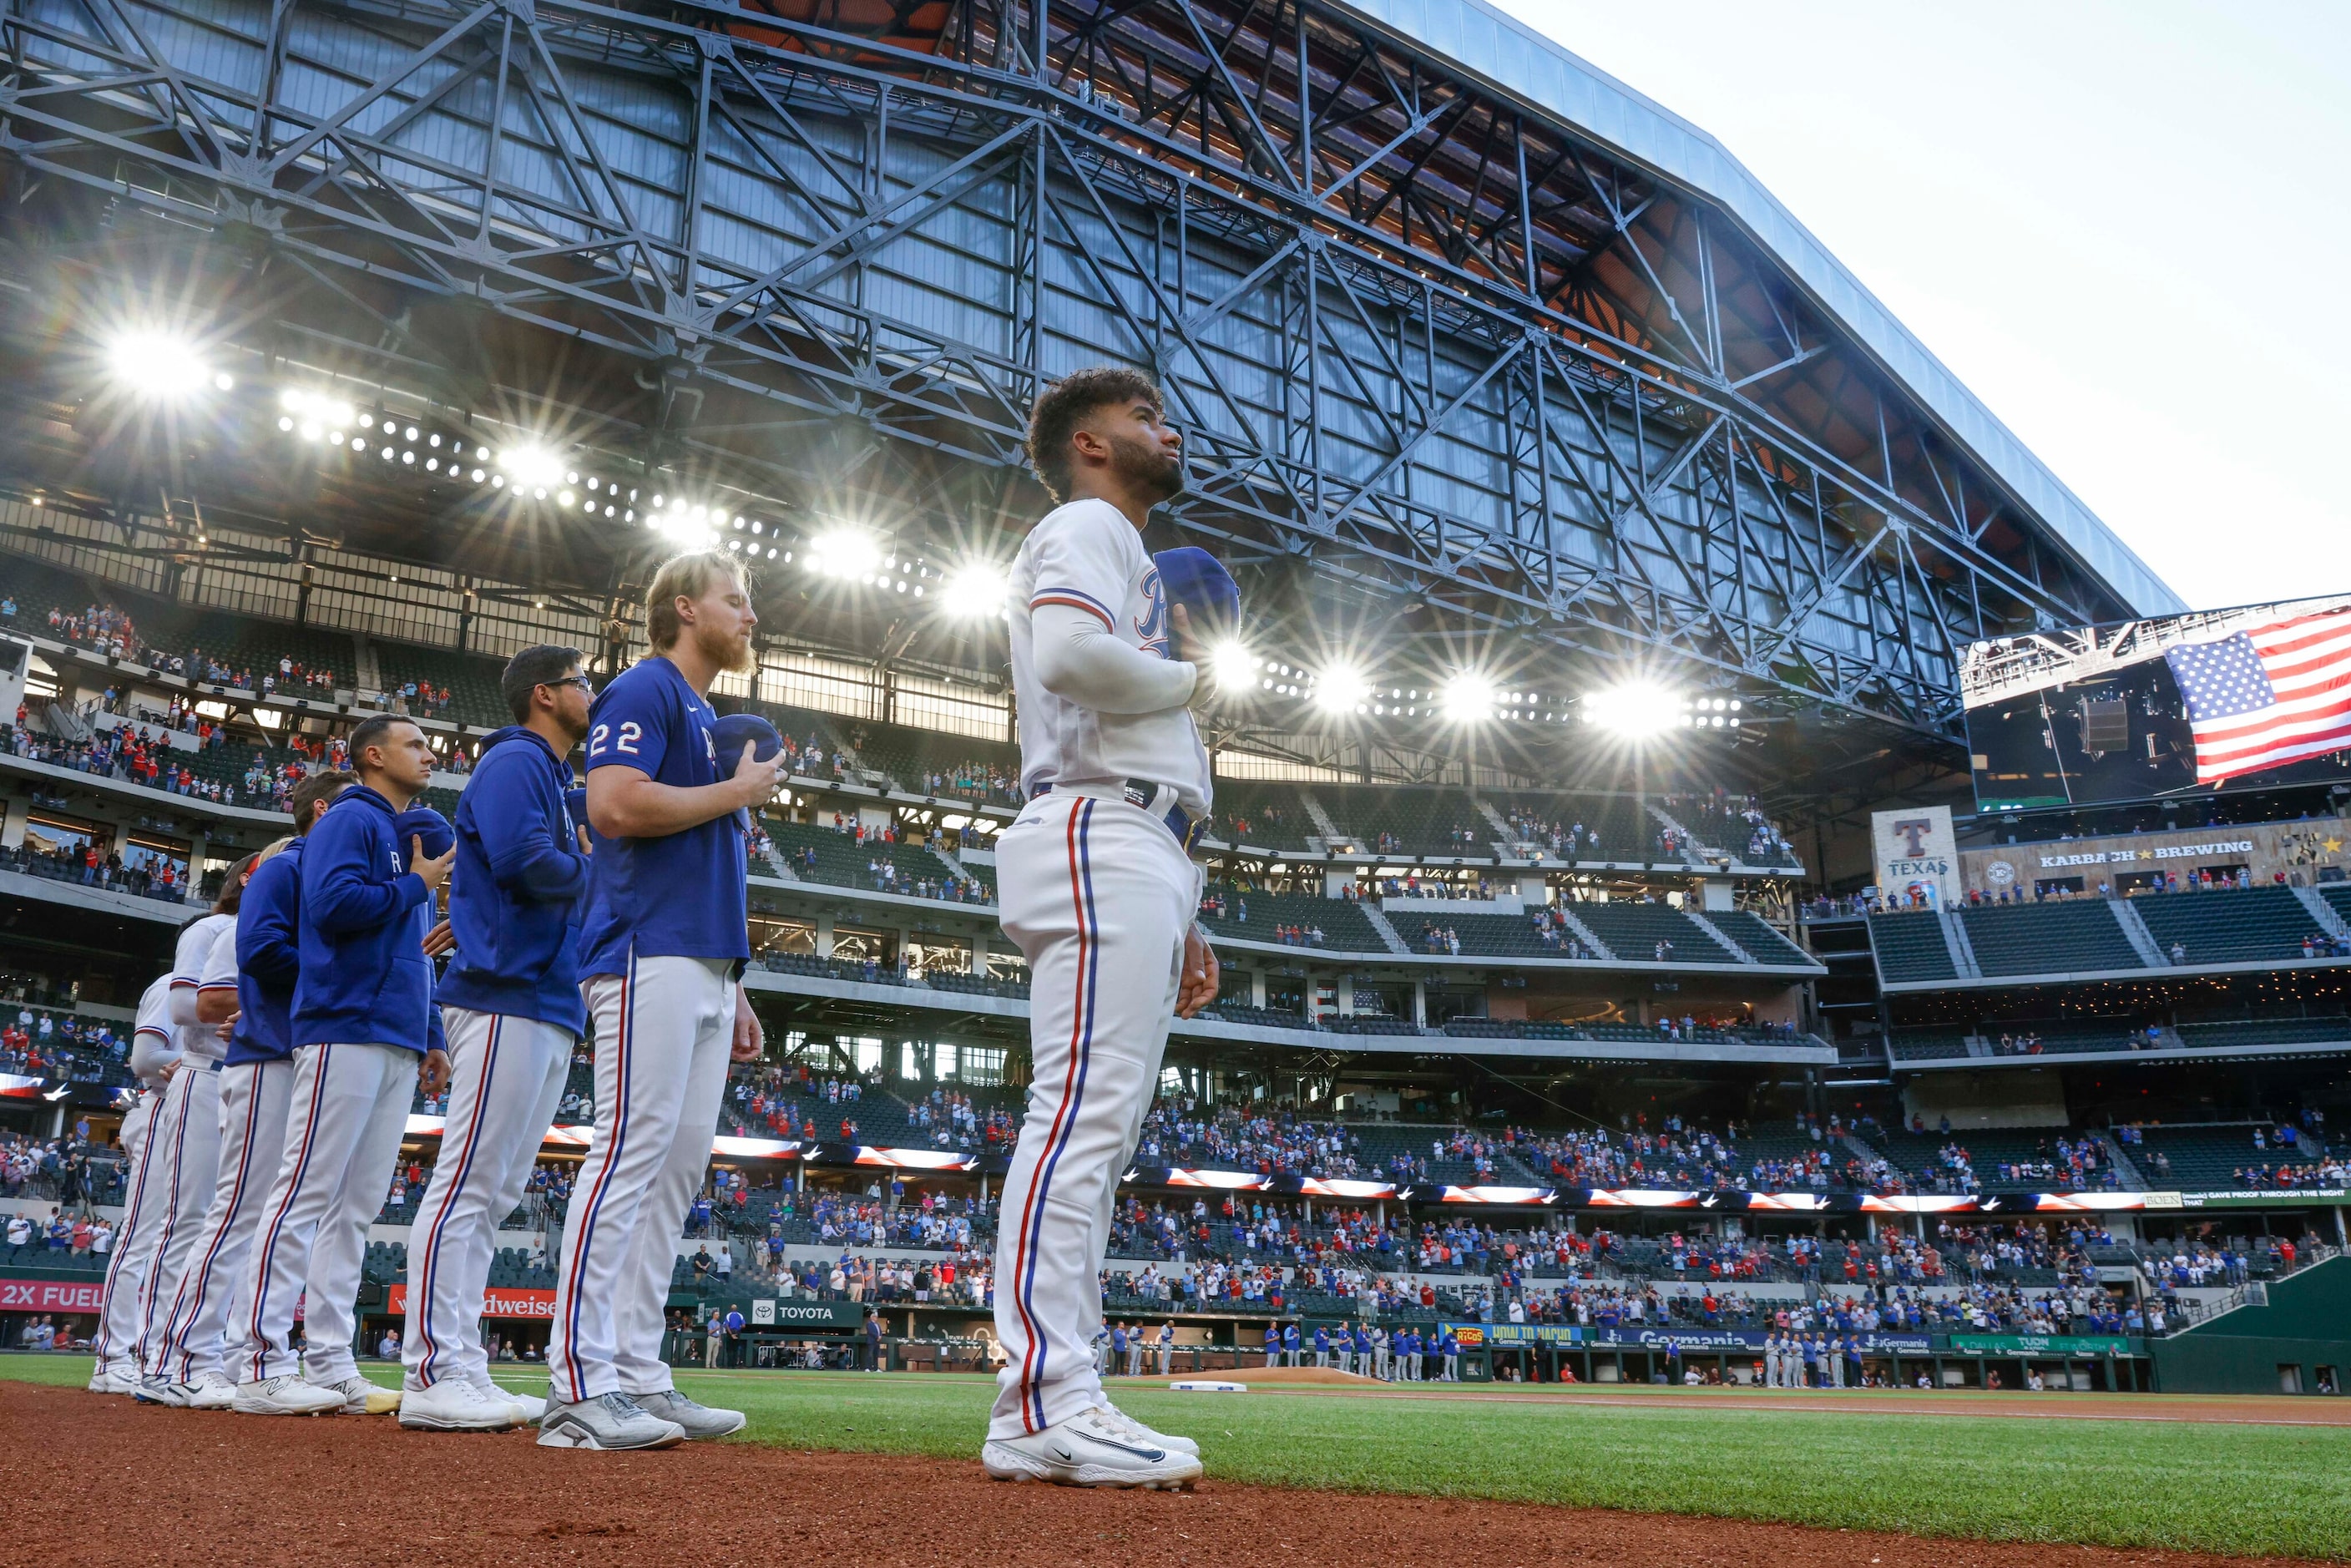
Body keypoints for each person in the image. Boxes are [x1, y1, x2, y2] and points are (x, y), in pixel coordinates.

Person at [980, 370, 1217, 1492]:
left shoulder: (1115, 541)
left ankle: (1060, 1387)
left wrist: (1189, 900)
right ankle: (1041, 1396)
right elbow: (1073, 660)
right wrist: (1191, 679)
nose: (1169, 433)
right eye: (1146, 419)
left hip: (1140, 840)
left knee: (1098, 1132)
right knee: (1078, 1120)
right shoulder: (1086, 521)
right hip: (1097, 823)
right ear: (1091, 442)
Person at [542, 552, 783, 1451]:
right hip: (645, 952)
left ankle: (637, 1374)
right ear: (683, 608)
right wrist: (735, 790)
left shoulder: (701, 711)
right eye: (735, 598)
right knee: (627, 1157)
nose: (749, 614)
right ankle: (578, 1382)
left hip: (703, 964)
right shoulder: (644, 688)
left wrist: (737, 980)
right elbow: (610, 807)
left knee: (675, 1175)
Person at [229, 714, 453, 1417]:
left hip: (393, 1031)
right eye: (414, 743)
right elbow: (330, 908)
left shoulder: (404, 835)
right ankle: (260, 1362)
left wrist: (432, 1031)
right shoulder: (350, 822)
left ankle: (329, 1361)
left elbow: (413, 951)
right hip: (343, 1027)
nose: (429, 753)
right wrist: (416, 886)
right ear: (373, 755)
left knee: (354, 1210)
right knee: (304, 1193)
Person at [402, 648, 594, 1433]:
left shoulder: (551, 775)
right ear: (544, 695)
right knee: (467, 1188)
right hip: (505, 992)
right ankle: (433, 1371)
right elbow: (522, 861)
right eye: (583, 681)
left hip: (540, 996)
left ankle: (464, 1366)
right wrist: (597, 867)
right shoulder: (517, 758)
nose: (593, 692)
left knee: (496, 1192)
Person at [143, 774, 353, 1409]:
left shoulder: (325, 890)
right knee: (236, 1211)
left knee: (268, 1215)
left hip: (304, 1058)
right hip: (257, 1061)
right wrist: (252, 1008)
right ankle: (183, 1359)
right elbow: (208, 999)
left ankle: (236, 1356)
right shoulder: (279, 881)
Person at [129, 864, 255, 1399]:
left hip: (246, 1076)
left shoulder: (265, 933)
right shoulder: (209, 931)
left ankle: (203, 1354)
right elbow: (184, 1010)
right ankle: (150, 1358)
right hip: (202, 1076)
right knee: (185, 1223)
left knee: (231, 1226)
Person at [85, 977, 179, 1393]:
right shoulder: (171, 983)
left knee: (179, 1238)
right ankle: (113, 1357)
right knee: (141, 1237)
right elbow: (145, 1061)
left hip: (192, 1109)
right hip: (160, 1106)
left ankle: (157, 1354)